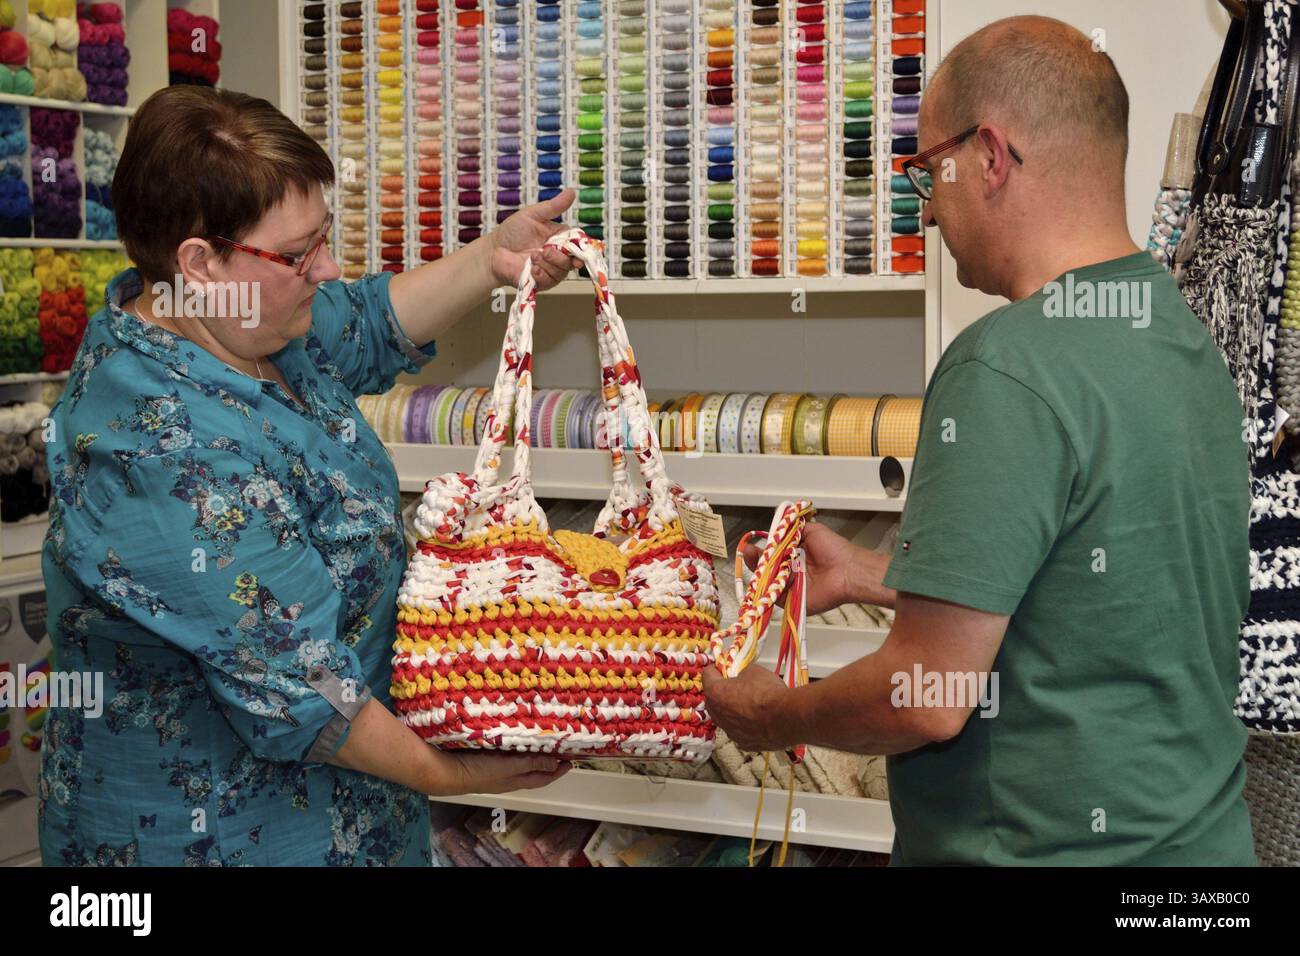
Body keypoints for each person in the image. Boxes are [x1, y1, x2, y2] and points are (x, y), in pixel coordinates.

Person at [703, 16, 1257, 866]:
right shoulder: (1178, 332)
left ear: (990, 156)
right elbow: (1098, 596)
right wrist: (873, 576)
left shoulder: (1004, 367)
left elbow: (929, 699)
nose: (927, 213)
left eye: (928, 173)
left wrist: (770, 713)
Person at [38, 86, 583, 866]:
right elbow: (303, 689)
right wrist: (452, 773)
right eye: (299, 254)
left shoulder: (236, 318)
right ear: (199, 261)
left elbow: (364, 322)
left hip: (352, 807)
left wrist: (492, 257)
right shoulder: (157, 448)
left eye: (323, 238)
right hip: (216, 835)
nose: (326, 268)